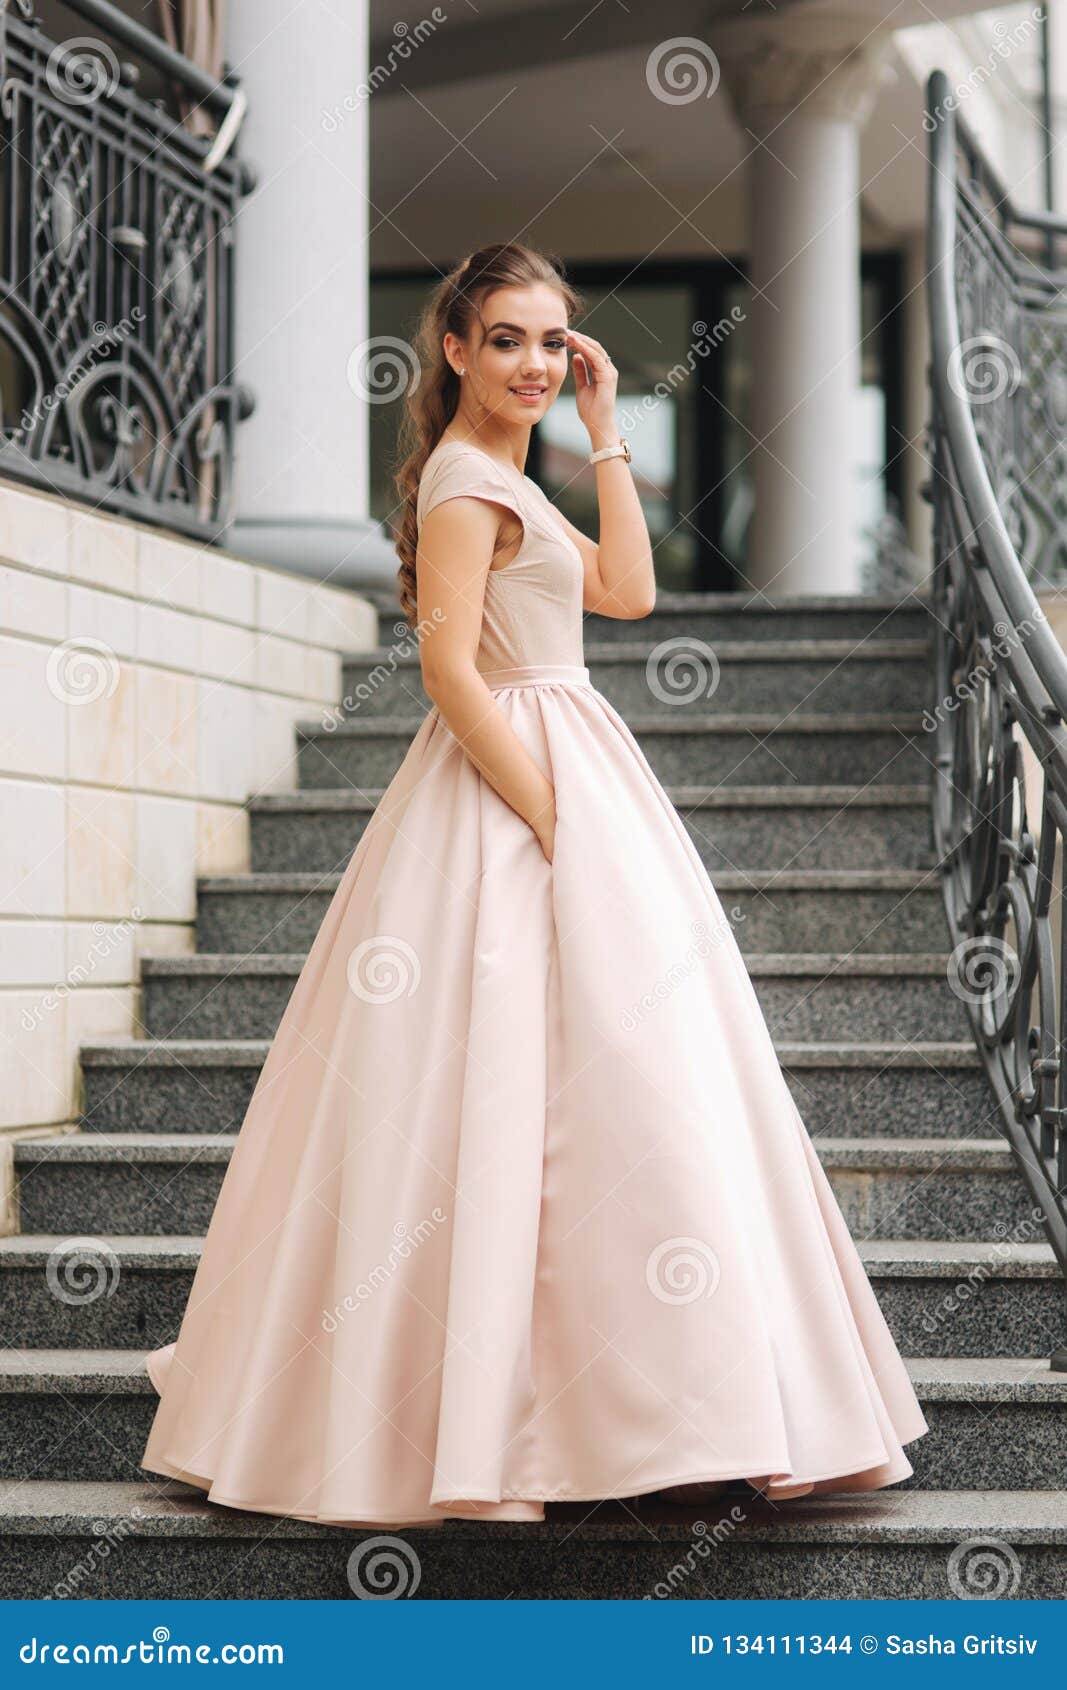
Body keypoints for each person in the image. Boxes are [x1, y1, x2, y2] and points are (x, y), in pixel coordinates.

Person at [140, 241, 928, 1527]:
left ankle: (658, 1403)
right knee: (516, 1088)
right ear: (452, 347)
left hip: (567, 756)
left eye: (551, 342)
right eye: (505, 338)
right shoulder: (462, 483)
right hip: (517, 778)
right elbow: (450, 672)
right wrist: (557, 816)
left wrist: (606, 427)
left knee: (636, 1086)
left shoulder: (510, 469)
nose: (530, 363)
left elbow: (624, 591)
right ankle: (564, 1418)